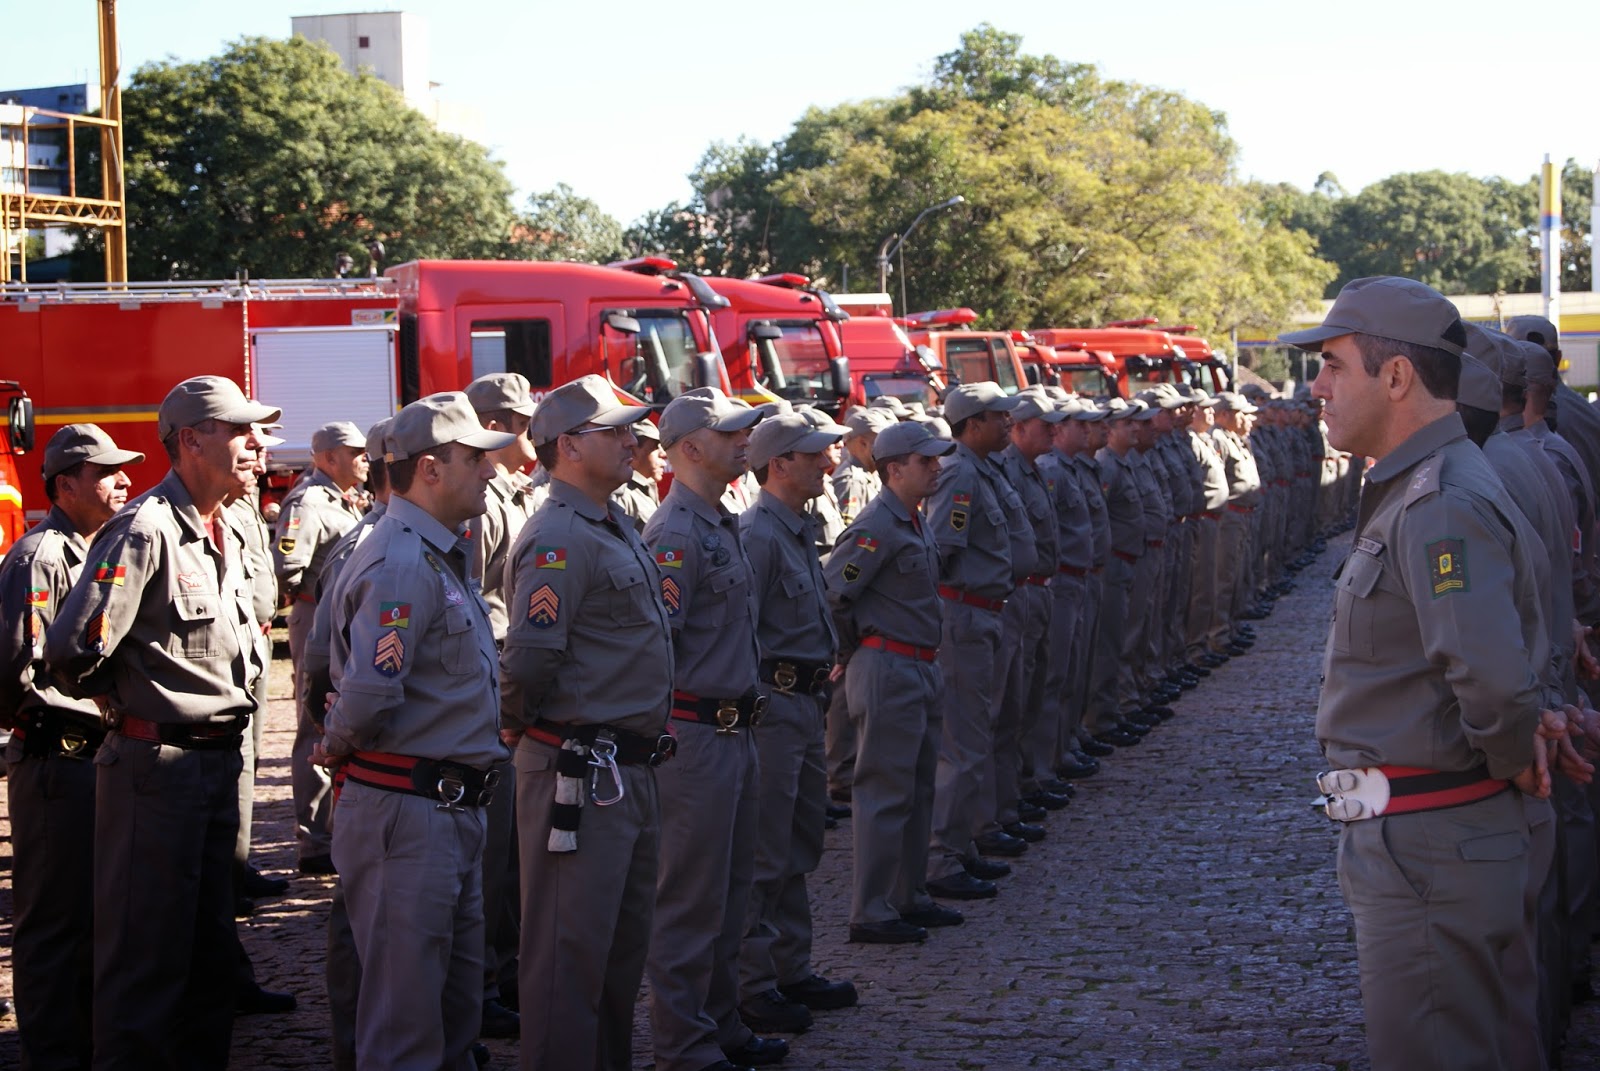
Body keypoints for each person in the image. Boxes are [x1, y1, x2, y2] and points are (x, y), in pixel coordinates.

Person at [1288, 276, 1560, 1071]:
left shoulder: (1438, 500)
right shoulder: (1425, 486)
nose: (1318, 385)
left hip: (1434, 846)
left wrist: (1516, 757)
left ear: (1397, 377)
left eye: (1334, 364)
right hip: (1432, 837)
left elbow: (1494, 681)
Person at [45, 376, 278, 1069]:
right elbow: (71, 649)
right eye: (239, 430)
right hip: (156, 773)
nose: (255, 442)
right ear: (189, 441)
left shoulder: (223, 528)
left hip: (215, 764)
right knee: (144, 967)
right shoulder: (143, 529)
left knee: (210, 965)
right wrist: (120, 703)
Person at [314, 391, 513, 1070]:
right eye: (475, 458)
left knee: (452, 1016)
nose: (491, 469)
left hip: (444, 808)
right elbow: (370, 691)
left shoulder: (431, 552)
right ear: (429, 468)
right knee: (405, 1026)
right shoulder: (401, 559)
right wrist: (336, 743)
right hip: (409, 812)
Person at [500, 374, 672, 1071]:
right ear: (568, 445)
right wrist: (516, 729)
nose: (633, 439)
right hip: (579, 769)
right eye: (616, 430)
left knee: (616, 958)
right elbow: (531, 657)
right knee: (566, 960)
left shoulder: (608, 519)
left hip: (625, 769)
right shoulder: (559, 536)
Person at [642, 387, 783, 1071]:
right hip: (695, 736)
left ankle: (720, 1024)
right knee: (690, 898)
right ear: (691, 447)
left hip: (733, 730)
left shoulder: (717, 520)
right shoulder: (675, 532)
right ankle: (683, 1042)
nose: (744, 442)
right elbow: (658, 644)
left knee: (732, 890)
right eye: (731, 434)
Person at [0, 424, 141, 1070]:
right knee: (54, 923)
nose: (124, 480)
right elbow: (18, 668)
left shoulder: (93, 548)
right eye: (107, 471)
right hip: (56, 759)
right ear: (66, 484)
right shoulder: (41, 555)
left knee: (90, 916)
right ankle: (53, 1055)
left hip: (91, 757)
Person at [736, 411, 858, 1035]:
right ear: (779, 463)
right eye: (813, 455)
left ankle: (790, 966)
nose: (827, 462)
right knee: (765, 847)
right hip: (774, 704)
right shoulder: (758, 533)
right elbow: (740, 631)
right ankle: (754, 983)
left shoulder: (794, 527)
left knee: (798, 841)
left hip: (805, 703)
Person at [825, 420, 955, 943]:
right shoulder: (877, 525)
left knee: (919, 787)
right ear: (894, 469)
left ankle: (907, 894)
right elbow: (836, 594)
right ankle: (872, 909)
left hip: (917, 663)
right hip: (887, 665)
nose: (937, 468)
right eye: (926, 462)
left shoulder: (910, 519)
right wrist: (851, 652)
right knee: (883, 791)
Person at [924, 382, 1025, 900]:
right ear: (973, 423)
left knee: (979, 733)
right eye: (999, 416)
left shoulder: (984, 468)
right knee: (961, 744)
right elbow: (941, 548)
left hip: (985, 612)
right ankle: (942, 859)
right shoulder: (960, 473)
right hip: (962, 616)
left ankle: (963, 844)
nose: (1010, 424)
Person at [465, 371, 542, 1040]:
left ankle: (507, 970)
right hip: (487, 686)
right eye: (520, 423)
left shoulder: (512, 495)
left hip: (505, 680)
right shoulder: (483, 502)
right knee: (492, 849)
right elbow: (468, 602)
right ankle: (485, 981)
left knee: (511, 847)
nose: (530, 433)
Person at [274, 420, 369, 875]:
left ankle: (332, 828)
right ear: (328, 457)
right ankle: (314, 839)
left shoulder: (342, 498)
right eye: (355, 452)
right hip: (316, 616)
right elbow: (288, 564)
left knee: (334, 713)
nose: (364, 459)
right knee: (314, 721)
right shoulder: (310, 500)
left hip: (337, 618)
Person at [615, 414, 666, 532]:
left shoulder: (646, 488)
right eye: (654, 448)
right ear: (633, 453)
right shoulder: (622, 496)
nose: (663, 454)